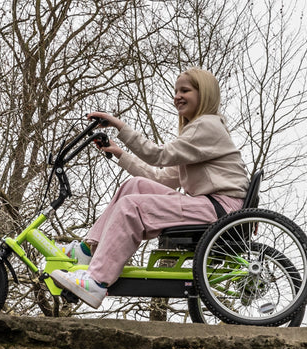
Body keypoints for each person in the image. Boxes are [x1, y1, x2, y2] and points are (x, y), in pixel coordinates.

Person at [50, 68, 249, 308]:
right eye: (176, 91)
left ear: (204, 94)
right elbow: (161, 179)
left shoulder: (206, 126)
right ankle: (87, 249)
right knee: (136, 187)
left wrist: (120, 127)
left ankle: (96, 281)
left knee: (132, 206)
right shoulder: (197, 134)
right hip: (211, 205)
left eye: (185, 90)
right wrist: (121, 155)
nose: (177, 96)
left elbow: (158, 155)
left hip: (220, 208)